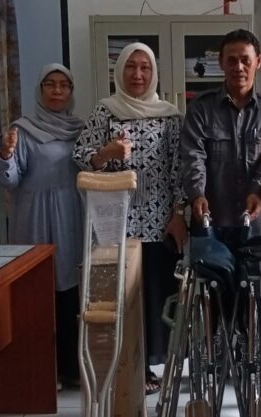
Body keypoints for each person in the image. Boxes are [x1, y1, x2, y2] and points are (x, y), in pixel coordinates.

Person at [73, 43, 185, 395]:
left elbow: (179, 168)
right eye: (131, 67)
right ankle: (122, 364)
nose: (138, 74)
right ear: (119, 72)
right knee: (120, 294)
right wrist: (105, 153)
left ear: (154, 73)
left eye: (145, 67)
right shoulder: (105, 111)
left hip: (158, 222)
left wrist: (179, 214)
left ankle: (149, 364)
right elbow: (80, 156)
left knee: (153, 294)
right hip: (114, 222)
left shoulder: (170, 115)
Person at [0, 63, 85, 390]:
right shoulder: (23, 129)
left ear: (71, 91)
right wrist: (6, 154)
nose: (57, 91)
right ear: (40, 90)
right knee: (37, 290)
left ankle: (72, 368)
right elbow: (10, 179)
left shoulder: (81, 128)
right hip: (33, 216)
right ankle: (43, 368)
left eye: (64, 85)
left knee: (70, 290)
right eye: (50, 84)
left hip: (70, 215)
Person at [181, 29, 261, 238]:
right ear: (221, 63)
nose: (239, 67)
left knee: (259, 262)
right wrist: (197, 194)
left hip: (257, 222)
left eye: (246, 60)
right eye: (232, 60)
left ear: (258, 61)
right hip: (211, 219)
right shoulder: (201, 107)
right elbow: (193, 156)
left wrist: (257, 191)